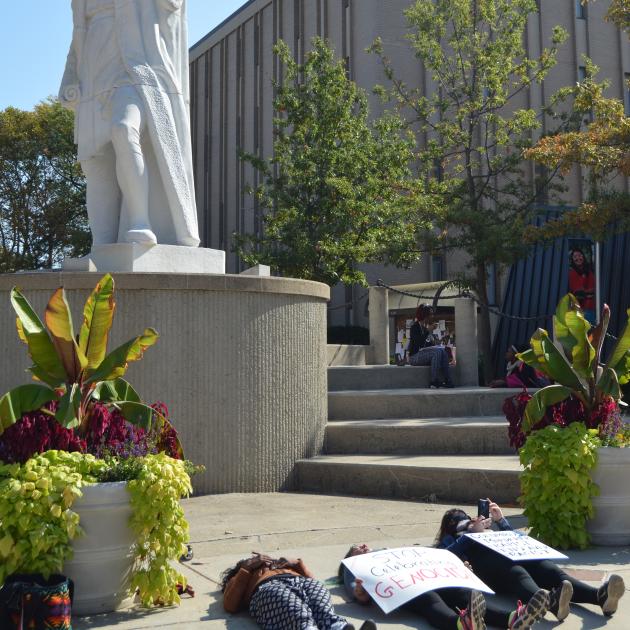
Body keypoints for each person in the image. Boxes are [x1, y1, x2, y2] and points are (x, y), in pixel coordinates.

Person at [59, 0, 200, 248]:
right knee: (96, 160)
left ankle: (140, 221)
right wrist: (70, 75)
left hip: (134, 71)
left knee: (124, 128)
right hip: (93, 78)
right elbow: (78, 36)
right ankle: (101, 246)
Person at [436, 501, 626, 623]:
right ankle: (551, 602)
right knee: (516, 571)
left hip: (507, 555)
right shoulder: (450, 540)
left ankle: (598, 596)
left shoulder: (483, 529)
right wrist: (470, 533)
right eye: (461, 521)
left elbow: (517, 540)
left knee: (547, 569)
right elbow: (444, 557)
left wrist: (500, 521)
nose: (468, 521)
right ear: (450, 527)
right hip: (488, 566)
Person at [340, 543, 547, 630]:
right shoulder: (354, 568)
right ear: (352, 557)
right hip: (406, 588)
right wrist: (360, 592)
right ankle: (460, 623)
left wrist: (456, 568)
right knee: (430, 600)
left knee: (462, 594)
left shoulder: (388, 552)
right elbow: (357, 592)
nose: (364, 546)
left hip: (430, 577)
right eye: (358, 548)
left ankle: (512, 619)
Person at [221, 552, 377, 630]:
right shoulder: (242, 575)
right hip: (269, 588)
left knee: (322, 607)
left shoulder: (284, 566)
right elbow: (230, 605)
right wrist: (247, 567)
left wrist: (295, 563)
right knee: (297, 614)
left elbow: (312, 580)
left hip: (301, 582)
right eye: (251, 559)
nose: (262, 560)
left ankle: (339, 628)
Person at [408, 304, 454, 389]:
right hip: (414, 357)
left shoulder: (426, 328)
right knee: (438, 352)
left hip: (425, 355)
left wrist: (440, 341)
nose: (432, 316)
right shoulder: (414, 327)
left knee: (442, 351)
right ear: (424, 315)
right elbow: (419, 343)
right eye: (430, 314)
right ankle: (433, 381)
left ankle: (448, 380)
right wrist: (428, 331)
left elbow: (430, 345)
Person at [568, 248, 596, 323]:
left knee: (591, 332)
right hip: (577, 309)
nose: (578, 258)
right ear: (572, 260)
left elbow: (591, 290)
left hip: (590, 308)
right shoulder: (572, 273)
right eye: (575, 256)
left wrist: (585, 293)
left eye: (579, 255)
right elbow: (578, 292)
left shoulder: (590, 271)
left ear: (583, 256)